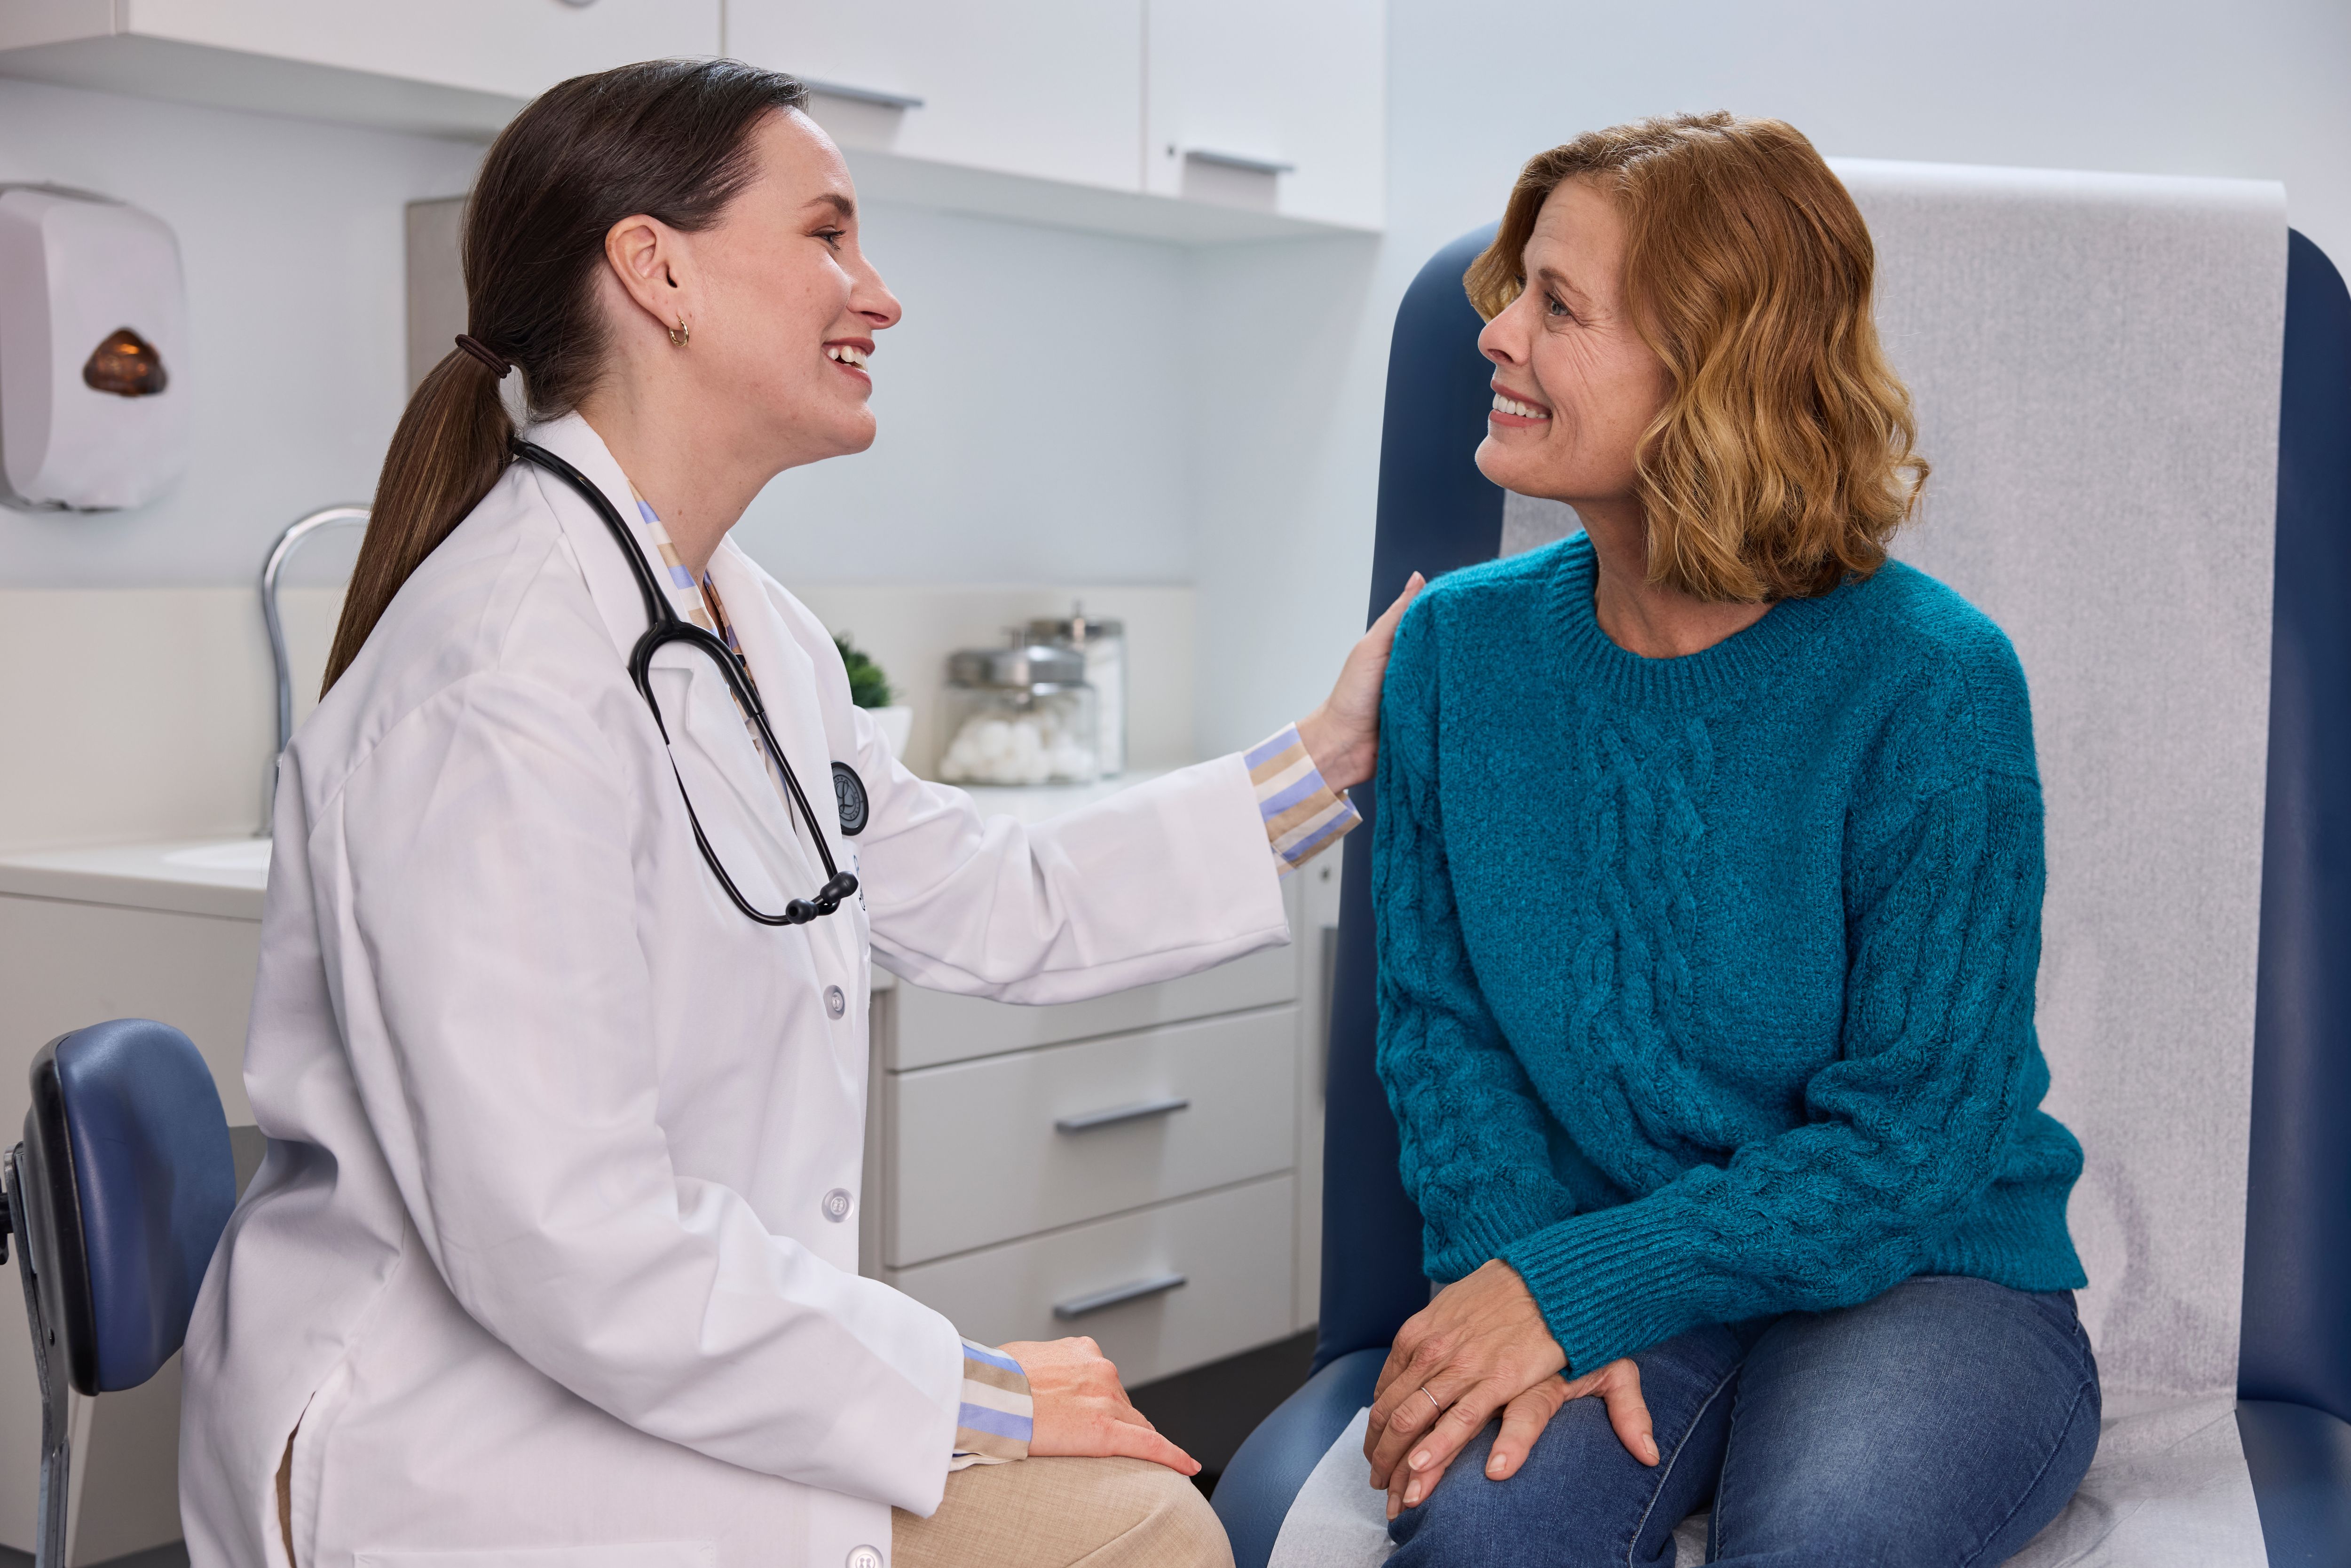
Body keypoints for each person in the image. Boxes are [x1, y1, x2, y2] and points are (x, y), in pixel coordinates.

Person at [179, 58, 1419, 1568]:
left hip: (639, 1366)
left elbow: (990, 893)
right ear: (658, 270)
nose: (876, 293)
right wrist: (976, 1389)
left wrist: (1327, 760)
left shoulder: (743, 625)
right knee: (1142, 1535)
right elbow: (564, 1240)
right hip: (456, 1431)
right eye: (828, 235)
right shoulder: (498, 683)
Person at [1360, 113, 2099, 1566]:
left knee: (1828, 1539)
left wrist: (1580, 1286)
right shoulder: (1452, 654)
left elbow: (1913, 1143)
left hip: (1924, 1273)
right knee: (1484, 1545)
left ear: (1716, 374)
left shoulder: (1933, 682)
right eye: (1516, 288)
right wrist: (1524, 1282)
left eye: (1555, 305)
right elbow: (1444, 1038)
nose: (1497, 334)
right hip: (1603, 1259)